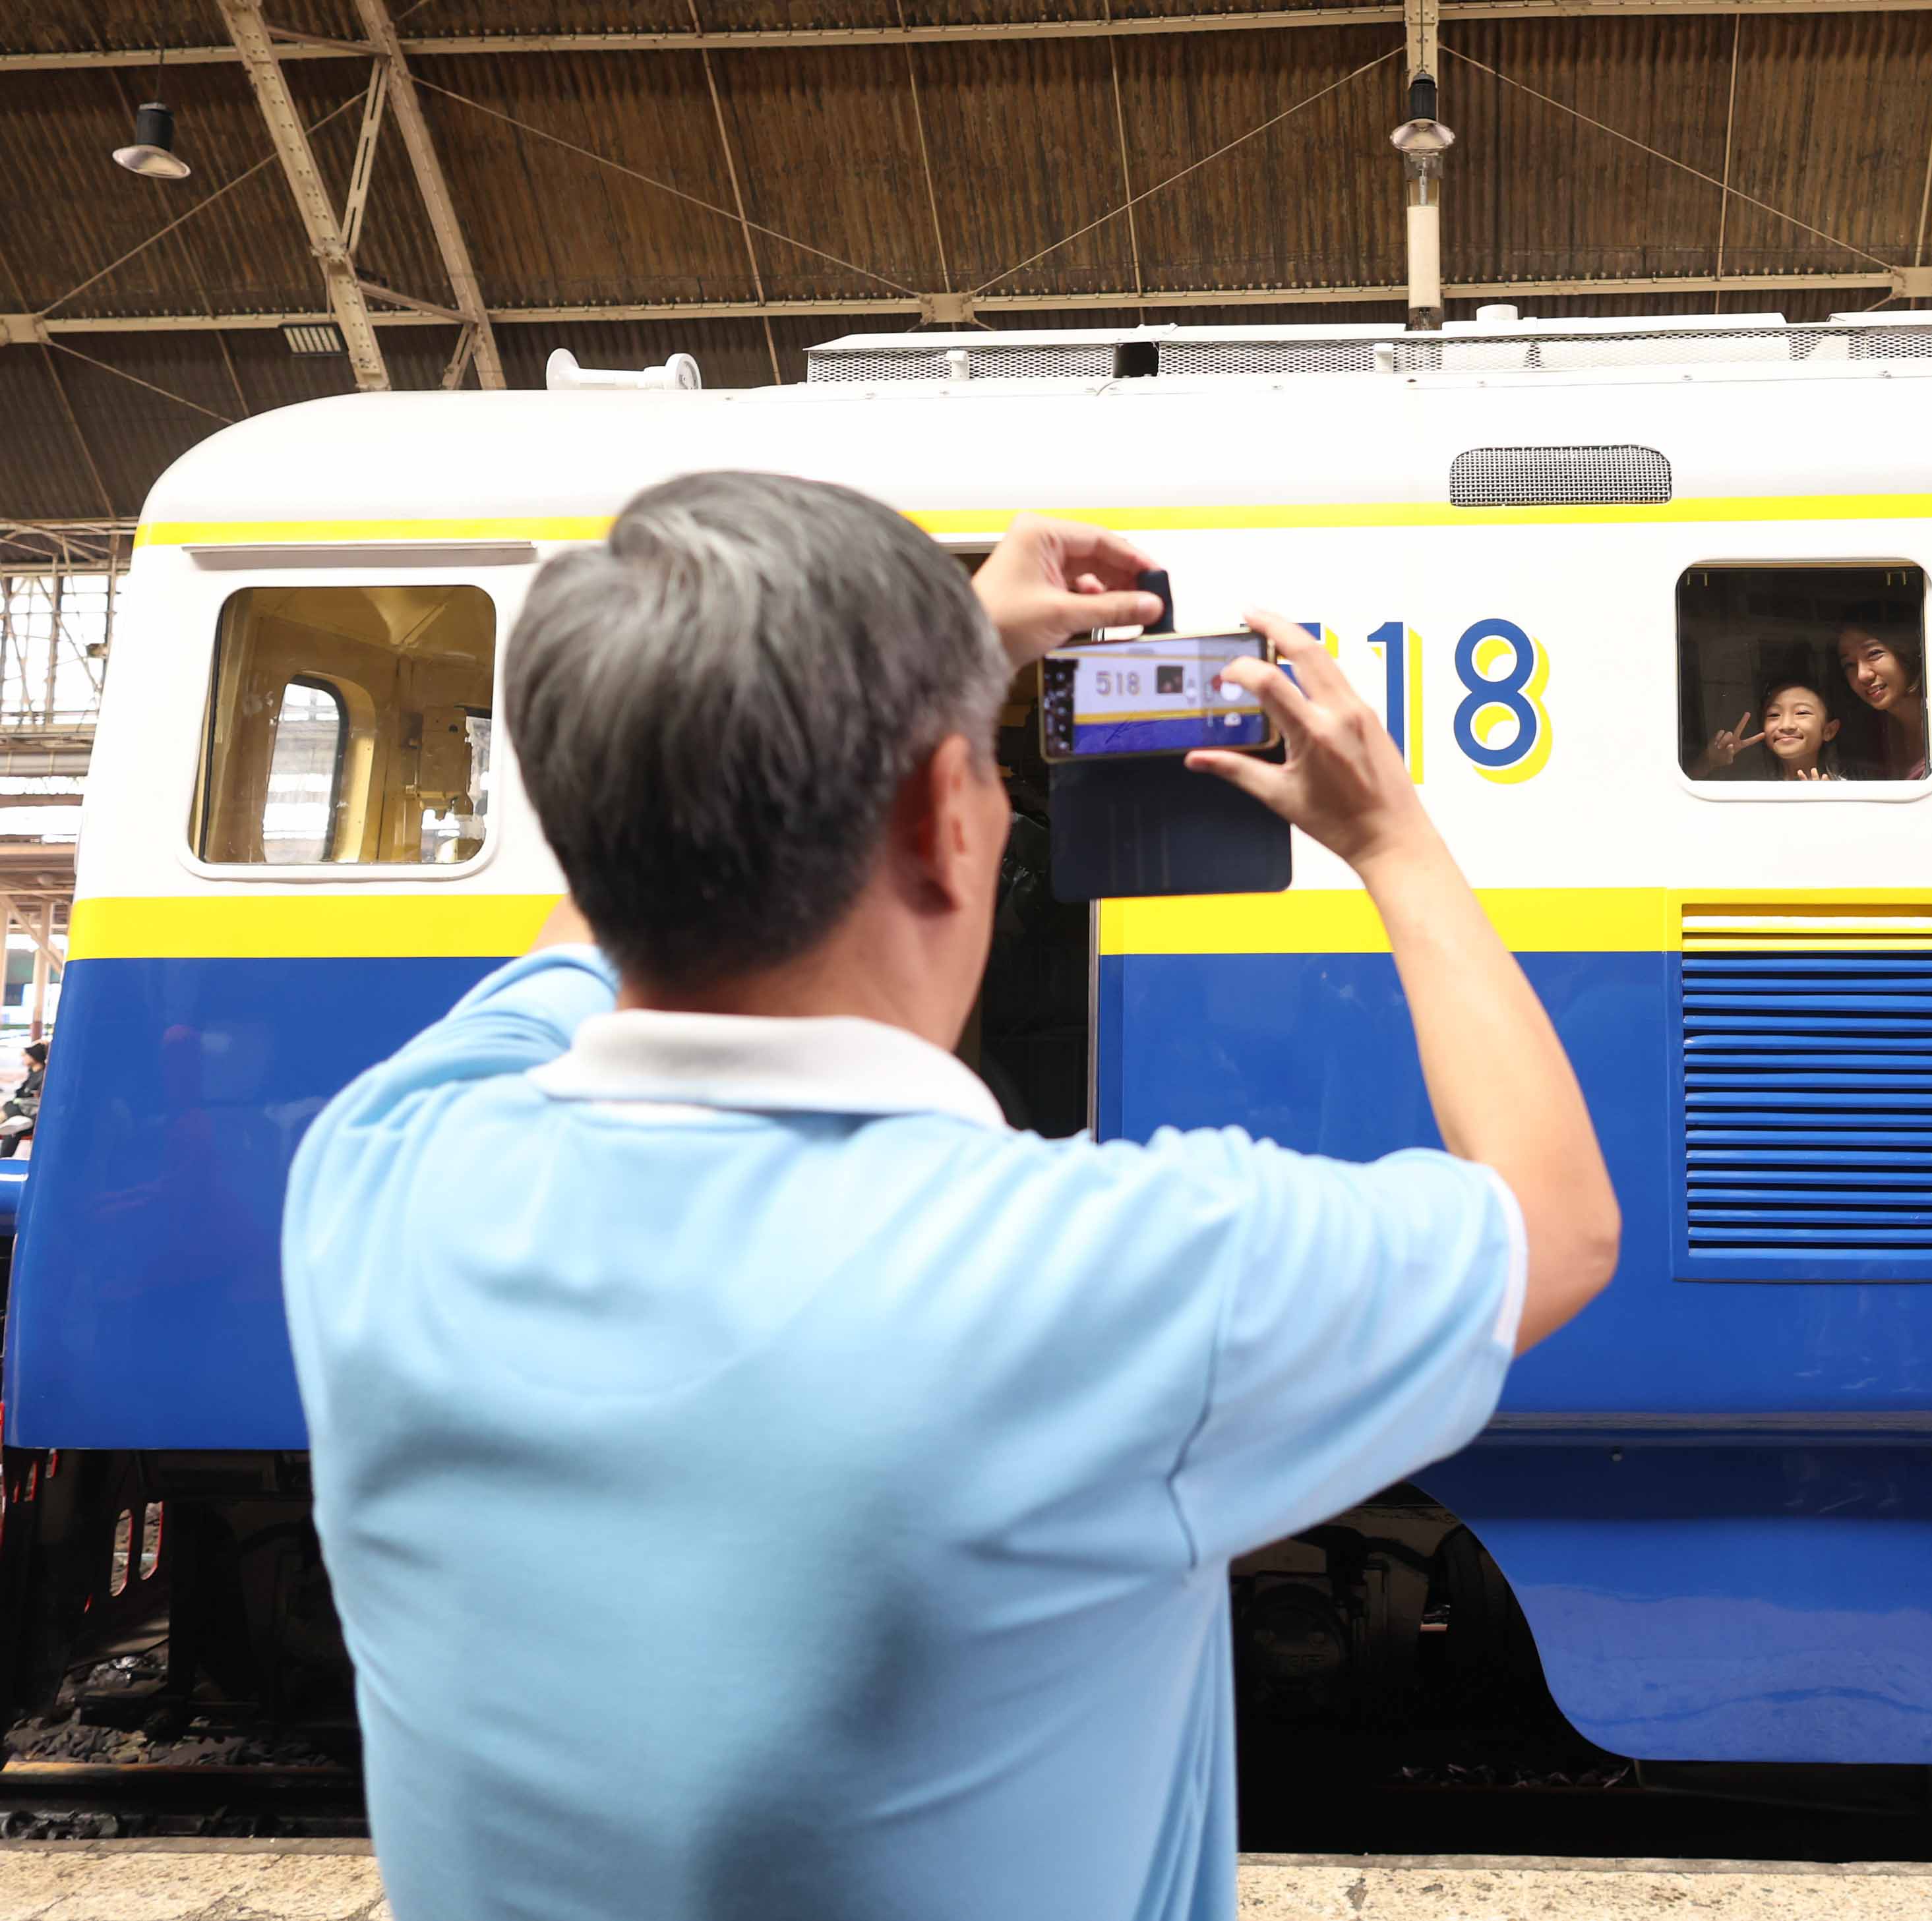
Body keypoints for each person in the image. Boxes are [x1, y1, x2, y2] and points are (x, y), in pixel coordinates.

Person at [280, 473, 1619, 1921]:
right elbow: (1556, 1221)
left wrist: (925, 683)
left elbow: (577, 942)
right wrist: (1391, 837)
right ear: (947, 820)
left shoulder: (383, 1171)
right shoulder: (1103, 1281)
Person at [1691, 678, 1846, 781]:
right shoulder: (1754, 785)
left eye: (1802, 713)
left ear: (1829, 731)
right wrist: (1709, 761)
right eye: (1774, 715)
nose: (1786, 725)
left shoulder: (1849, 790)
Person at [1837, 624, 1928, 780]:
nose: (1862, 675)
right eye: (1850, 665)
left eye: (1874, 654)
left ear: (1905, 651)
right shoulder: (1873, 730)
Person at [0, 1041, 45, 1156]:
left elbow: (36, 1102)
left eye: (25, 1055)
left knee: (13, 1127)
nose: (22, 1057)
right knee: (12, 1123)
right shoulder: (32, 1074)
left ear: (34, 1057)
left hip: (32, 1116)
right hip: (22, 1114)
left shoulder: (43, 1076)